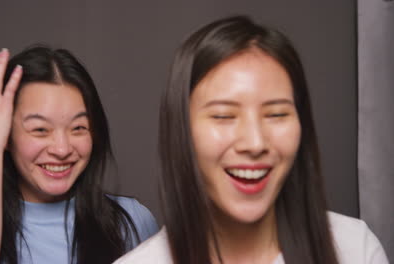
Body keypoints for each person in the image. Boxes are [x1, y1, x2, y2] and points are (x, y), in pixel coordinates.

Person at [114, 15, 389, 264]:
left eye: (277, 114)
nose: (255, 143)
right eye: (223, 116)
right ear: (181, 130)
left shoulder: (355, 249)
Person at [0, 46, 158, 264]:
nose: (62, 149)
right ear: (5, 135)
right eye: (40, 130)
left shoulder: (130, 221)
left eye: (78, 128)